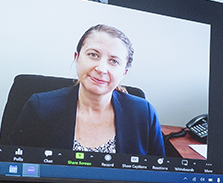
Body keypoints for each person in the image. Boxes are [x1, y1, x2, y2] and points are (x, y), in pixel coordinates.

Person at [9, 24, 165, 156]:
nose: (101, 68)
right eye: (93, 55)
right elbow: (14, 166)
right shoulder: (40, 107)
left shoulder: (144, 114)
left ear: (124, 72)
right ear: (77, 58)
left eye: (114, 61)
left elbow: (158, 175)